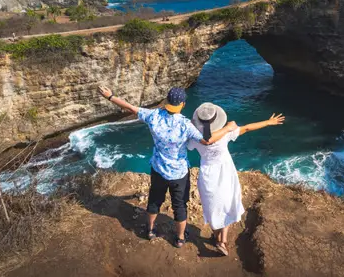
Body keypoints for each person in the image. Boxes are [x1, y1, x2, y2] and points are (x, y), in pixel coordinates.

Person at [98, 86, 238, 248]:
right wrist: (228, 128)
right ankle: (180, 238)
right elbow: (207, 140)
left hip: (158, 169)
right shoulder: (186, 125)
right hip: (179, 174)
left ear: (167, 101)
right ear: (183, 104)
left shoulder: (153, 115)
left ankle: (150, 230)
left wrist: (110, 96)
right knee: (180, 206)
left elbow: (130, 108)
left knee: (154, 201)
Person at [188, 103, 285, 256]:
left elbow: (192, 141)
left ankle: (216, 237)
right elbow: (247, 128)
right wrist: (268, 122)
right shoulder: (226, 133)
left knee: (212, 208)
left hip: (208, 175)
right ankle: (223, 240)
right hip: (226, 172)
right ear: (217, 120)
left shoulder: (195, 138)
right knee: (228, 203)